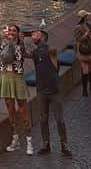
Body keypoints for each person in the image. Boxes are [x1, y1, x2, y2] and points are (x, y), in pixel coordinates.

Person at [26, 28, 71, 157]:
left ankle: (64, 144)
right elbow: (24, 54)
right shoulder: (35, 52)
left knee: (59, 119)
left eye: (36, 33)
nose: (33, 35)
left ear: (43, 37)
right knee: (43, 119)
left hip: (53, 90)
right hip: (41, 90)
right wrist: (19, 40)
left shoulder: (51, 50)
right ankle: (46, 144)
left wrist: (39, 40)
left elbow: (49, 49)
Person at [0, 25, 33, 155]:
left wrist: (13, 43)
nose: (11, 32)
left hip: (17, 78)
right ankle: (15, 139)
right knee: (10, 110)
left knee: (23, 110)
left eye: (14, 31)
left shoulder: (20, 45)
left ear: (18, 33)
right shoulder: (4, 43)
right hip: (5, 77)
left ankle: (29, 141)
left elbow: (17, 57)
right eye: (9, 30)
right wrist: (0, 40)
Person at [74, 9, 91, 97]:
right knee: (85, 70)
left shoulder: (89, 25)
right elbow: (78, 39)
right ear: (85, 17)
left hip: (90, 49)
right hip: (82, 50)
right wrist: (86, 34)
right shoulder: (78, 27)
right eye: (87, 16)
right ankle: (84, 90)